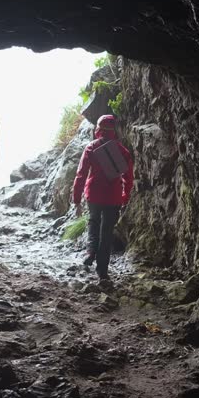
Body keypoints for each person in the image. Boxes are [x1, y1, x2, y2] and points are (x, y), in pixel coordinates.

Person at [71, 114, 134, 280]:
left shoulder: (91, 148)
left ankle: (91, 251)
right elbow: (128, 178)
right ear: (114, 130)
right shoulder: (123, 151)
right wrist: (125, 196)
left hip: (94, 194)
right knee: (106, 232)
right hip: (113, 197)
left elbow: (81, 175)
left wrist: (76, 199)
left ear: (98, 129)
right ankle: (103, 271)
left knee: (93, 221)